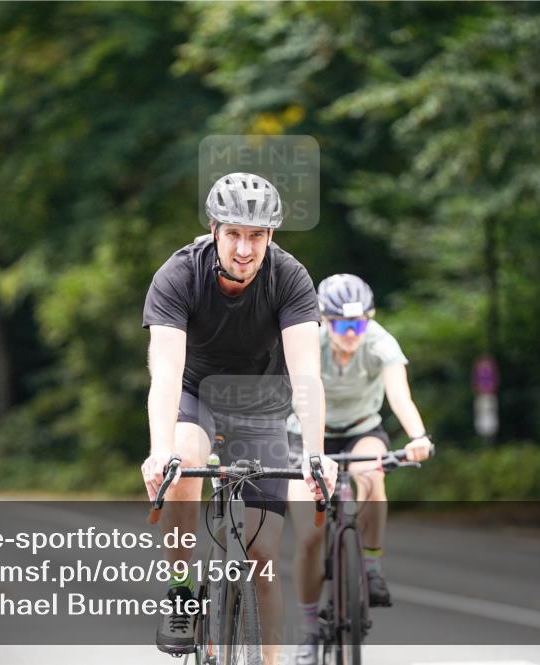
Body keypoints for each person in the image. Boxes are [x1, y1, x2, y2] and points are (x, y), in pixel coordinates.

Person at [140, 172, 337, 665]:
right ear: (213, 231)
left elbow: (308, 377)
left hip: (262, 406)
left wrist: (316, 454)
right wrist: (159, 451)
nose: (244, 249)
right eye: (233, 234)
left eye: (256, 236)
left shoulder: (290, 278)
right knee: (183, 461)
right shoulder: (179, 275)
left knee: (263, 559)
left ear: (271, 237)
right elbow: (164, 375)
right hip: (195, 396)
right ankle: (183, 591)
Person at [287, 274, 433, 665]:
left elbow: (399, 395)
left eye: (360, 323)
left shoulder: (380, 341)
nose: (352, 333)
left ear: (370, 319)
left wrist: (417, 436)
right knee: (308, 539)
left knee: (372, 473)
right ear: (324, 319)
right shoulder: (308, 343)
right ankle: (308, 630)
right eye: (342, 324)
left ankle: (370, 564)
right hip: (306, 436)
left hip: (360, 430)